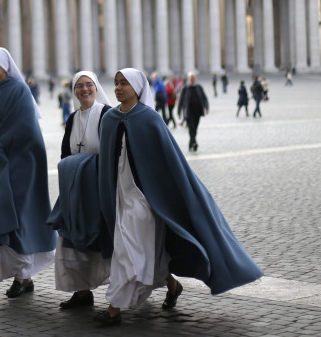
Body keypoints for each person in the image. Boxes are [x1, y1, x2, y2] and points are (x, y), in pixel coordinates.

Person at [93, 68, 262, 326]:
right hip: (119, 194)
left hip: (146, 198)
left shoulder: (149, 118)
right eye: (116, 83)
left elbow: (171, 161)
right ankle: (172, 285)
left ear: (137, 87)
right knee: (139, 247)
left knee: (129, 247)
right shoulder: (109, 119)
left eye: (124, 83)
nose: (118, 88)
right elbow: (104, 163)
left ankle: (115, 306)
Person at [0, 47, 56, 298]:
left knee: (19, 218)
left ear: (5, 66)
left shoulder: (19, 90)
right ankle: (22, 274)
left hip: (20, 165)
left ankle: (22, 276)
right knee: (0, 216)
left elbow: (24, 128)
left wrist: (1, 148)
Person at [48, 71, 112, 310]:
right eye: (79, 87)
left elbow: (112, 153)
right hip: (76, 189)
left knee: (105, 240)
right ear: (74, 91)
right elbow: (65, 153)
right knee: (69, 240)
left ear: (96, 88)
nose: (84, 90)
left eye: (89, 85)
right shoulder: (72, 118)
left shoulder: (106, 115)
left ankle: (118, 294)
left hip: (98, 188)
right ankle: (82, 291)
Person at [177, 73, 209, 152]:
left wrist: (206, 108)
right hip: (188, 112)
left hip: (198, 111)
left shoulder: (199, 87)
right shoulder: (185, 88)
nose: (192, 79)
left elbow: (204, 98)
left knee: (195, 128)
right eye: (191, 78)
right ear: (188, 79)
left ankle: (191, 142)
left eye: (193, 78)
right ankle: (194, 142)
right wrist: (179, 112)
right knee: (191, 127)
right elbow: (180, 100)